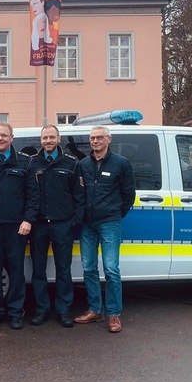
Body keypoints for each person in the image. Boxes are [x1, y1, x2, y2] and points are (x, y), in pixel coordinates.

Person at [74, 125, 135, 333]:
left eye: (100, 137)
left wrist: (116, 214)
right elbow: (78, 194)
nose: (95, 141)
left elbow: (129, 194)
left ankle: (114, 314)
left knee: (111, 269)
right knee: (89, 268)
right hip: (87, 224)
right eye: (92, 138)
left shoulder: (121, 163)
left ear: (109, 139)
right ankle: (95, 310)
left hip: (109, 222)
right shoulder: (82, 164)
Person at [0, 123, 38, 329]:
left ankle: (15, 312)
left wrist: (28, 220)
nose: (0, 139)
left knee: (16, 270)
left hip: (16, 227)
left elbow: (33, 195)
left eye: (4, 135)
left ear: (12, 137)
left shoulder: (25, 163)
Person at [27, 125, 85, 327]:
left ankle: (63, 311)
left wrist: (73, 222)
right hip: (39, 226)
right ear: (40, 140)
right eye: (45, 137)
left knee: (63, 270)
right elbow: (28, 195)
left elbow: (79, 196)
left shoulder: (71, 163)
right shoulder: (32, 163)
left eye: (52, 137)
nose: (48, 140)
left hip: (63, 225)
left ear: (58, 139)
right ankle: (41, 310)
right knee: (38, 270)